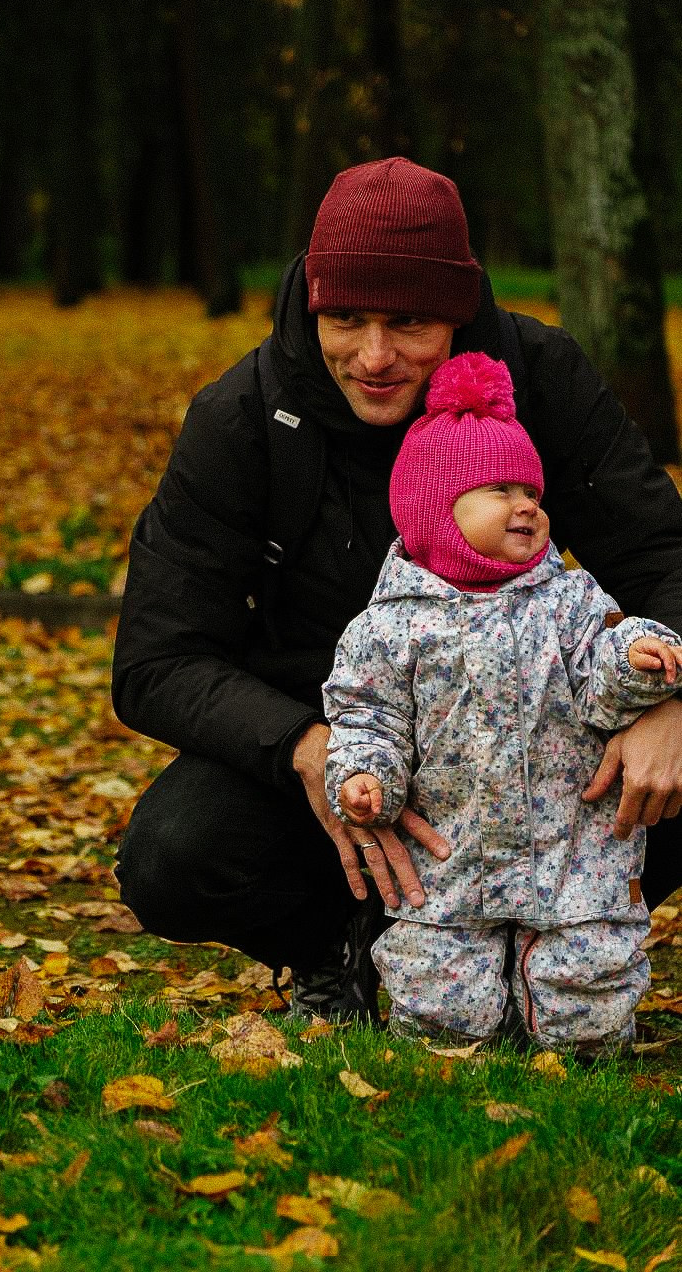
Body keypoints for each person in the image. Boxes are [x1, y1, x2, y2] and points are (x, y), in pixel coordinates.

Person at [111, 156, 682, 1023]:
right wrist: (306, 748)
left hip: (539, 744)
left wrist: (669, 704)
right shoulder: (243, 417)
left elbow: (660, 556)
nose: (373, 358)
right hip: (343, 742)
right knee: (173, 855)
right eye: (345, 318)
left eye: (409, 322)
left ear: (456, 311)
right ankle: (335, 950)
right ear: (312, 302)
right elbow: (156, 659)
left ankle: (559, 953)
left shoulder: (540, 378)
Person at [324, 351, 682, 1050]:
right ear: (434, 509)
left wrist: (633, 660)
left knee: (589, 992)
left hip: (571, 852)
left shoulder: (571, 600)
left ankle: (576, 1043)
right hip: (450, 861)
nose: (526, 505)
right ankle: (454, 1040)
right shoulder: (387, 626)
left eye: (532, 491)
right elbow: (368, 717)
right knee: (440, 995)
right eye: (499, 490)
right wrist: (365, 776)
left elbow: (597, 681)